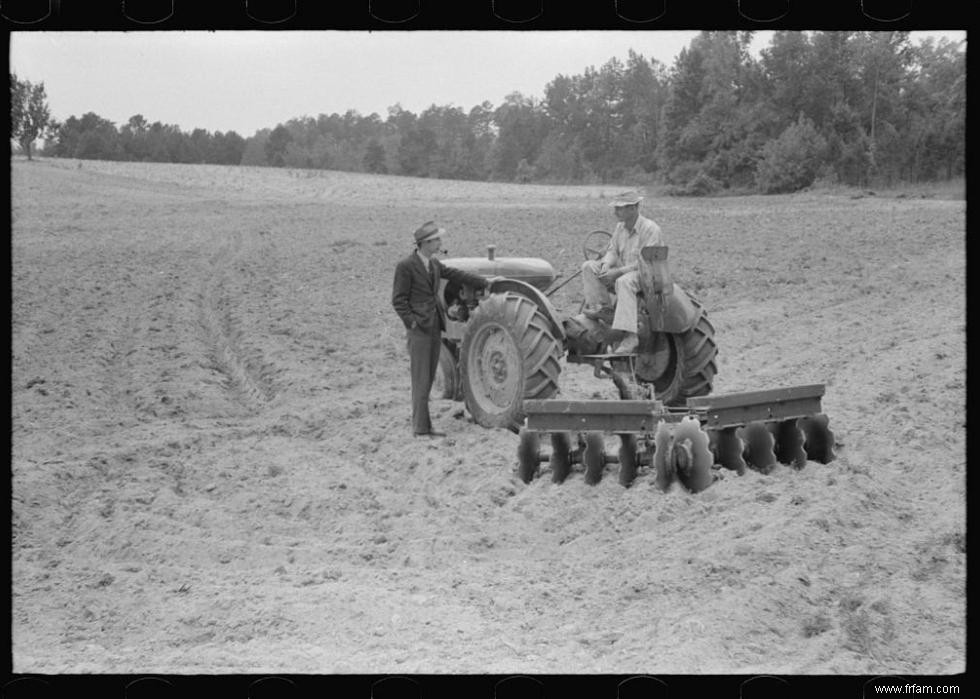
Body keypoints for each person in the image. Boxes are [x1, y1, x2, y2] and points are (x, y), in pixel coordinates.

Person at [392, 221, 489, 437]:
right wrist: (413, 323)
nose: (439, 243)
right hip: (419, 330)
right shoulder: (406, 266)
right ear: (425, 243)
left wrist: (485, 282)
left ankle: (425, 427)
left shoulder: (434, 264)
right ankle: (420, 429)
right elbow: (398, 301)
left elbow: (456, 274)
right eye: (436, 240)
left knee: (426, 379)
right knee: (421, 379)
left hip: (435, 326)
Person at [580, 190, 666, 354]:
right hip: (627, 273)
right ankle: (604, 310)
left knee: (624, 281)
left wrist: (617, 272)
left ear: (633, 208)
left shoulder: (650, 229)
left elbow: (646, 262)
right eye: (616, 208)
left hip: (649, 275)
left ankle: (631, 336)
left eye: (619, 208)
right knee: (589, 266)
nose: (615, 212)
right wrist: (605, 264)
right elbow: (613, 251)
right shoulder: (620, 228)